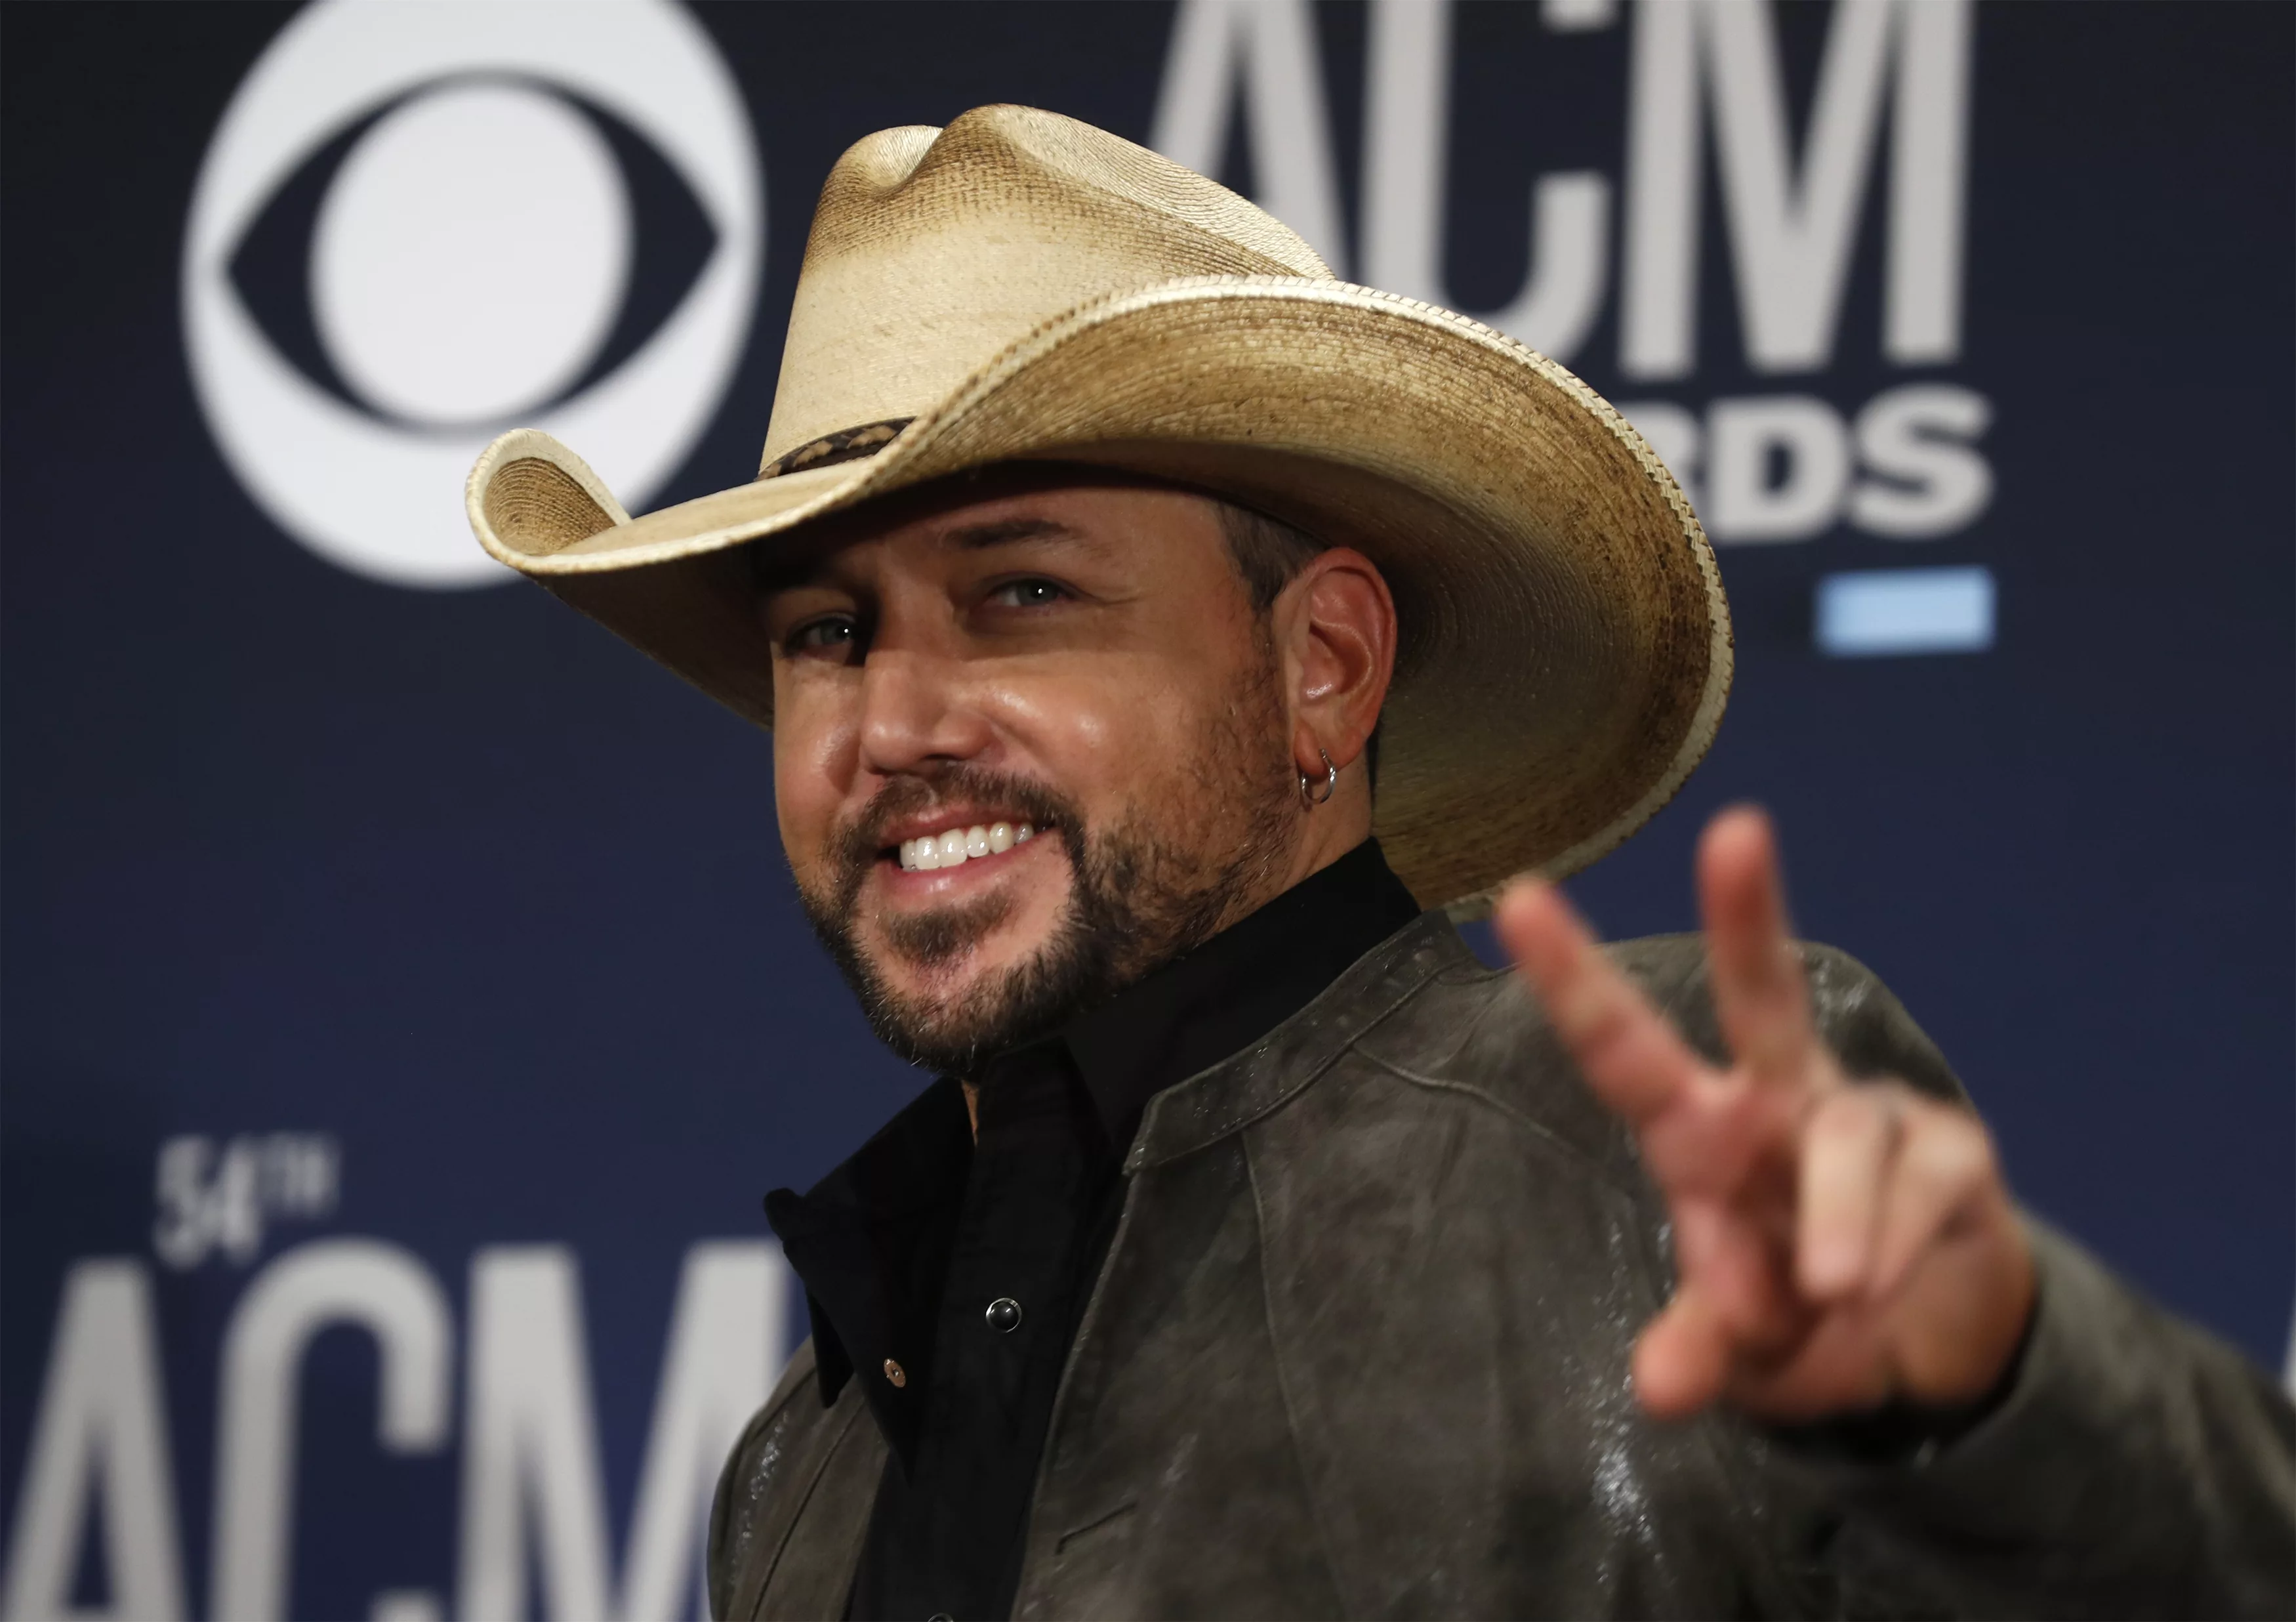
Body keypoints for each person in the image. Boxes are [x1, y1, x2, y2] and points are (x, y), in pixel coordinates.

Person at [466, 107, 2293, 1620]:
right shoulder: (799, 1469)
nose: (891, 723)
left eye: (1020, 594)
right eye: (825, 637)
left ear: (1319, 664)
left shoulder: (1652, 1158)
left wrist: (1998, 1403)